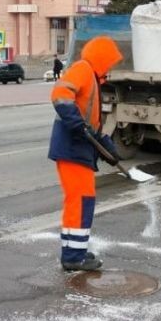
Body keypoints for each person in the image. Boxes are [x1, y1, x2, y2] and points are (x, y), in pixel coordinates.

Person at [49, 35, 123, 272]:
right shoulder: (82, 69)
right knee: (80, 202)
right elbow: (60, 95)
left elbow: (91, 124)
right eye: (110, 62)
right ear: (101, 58)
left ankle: (74, 252)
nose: (111, 68)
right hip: (72, 148)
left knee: (79, 202)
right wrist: (77, 125)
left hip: (77, 148)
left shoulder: (93, 79)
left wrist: (108, 149)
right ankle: (74, 257)